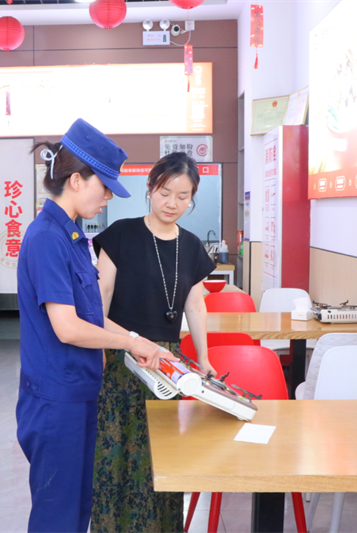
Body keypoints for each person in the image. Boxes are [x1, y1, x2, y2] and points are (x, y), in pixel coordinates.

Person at [16, 118, 177, 533]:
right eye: (103, 187)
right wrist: (129, 344)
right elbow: (67, 328)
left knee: (77, 510)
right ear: (76, 180)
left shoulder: (72, 236)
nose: (107, 197)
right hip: (56, 402)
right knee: (57, 517)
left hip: (80, 392)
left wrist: (137, 340)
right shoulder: (46, 238)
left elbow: (91, 316)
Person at [91, 151, 217, 532]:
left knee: (160, 456)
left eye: (183, 196)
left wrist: (204, 358)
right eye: (164, 193)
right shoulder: (120, 235)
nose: (172, 203)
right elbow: (99, 301)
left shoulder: (191, 246)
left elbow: (195, 306)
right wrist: (103, 348)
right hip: (120, 360)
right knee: (115, 456)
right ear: (149, 188)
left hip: (166, 366)